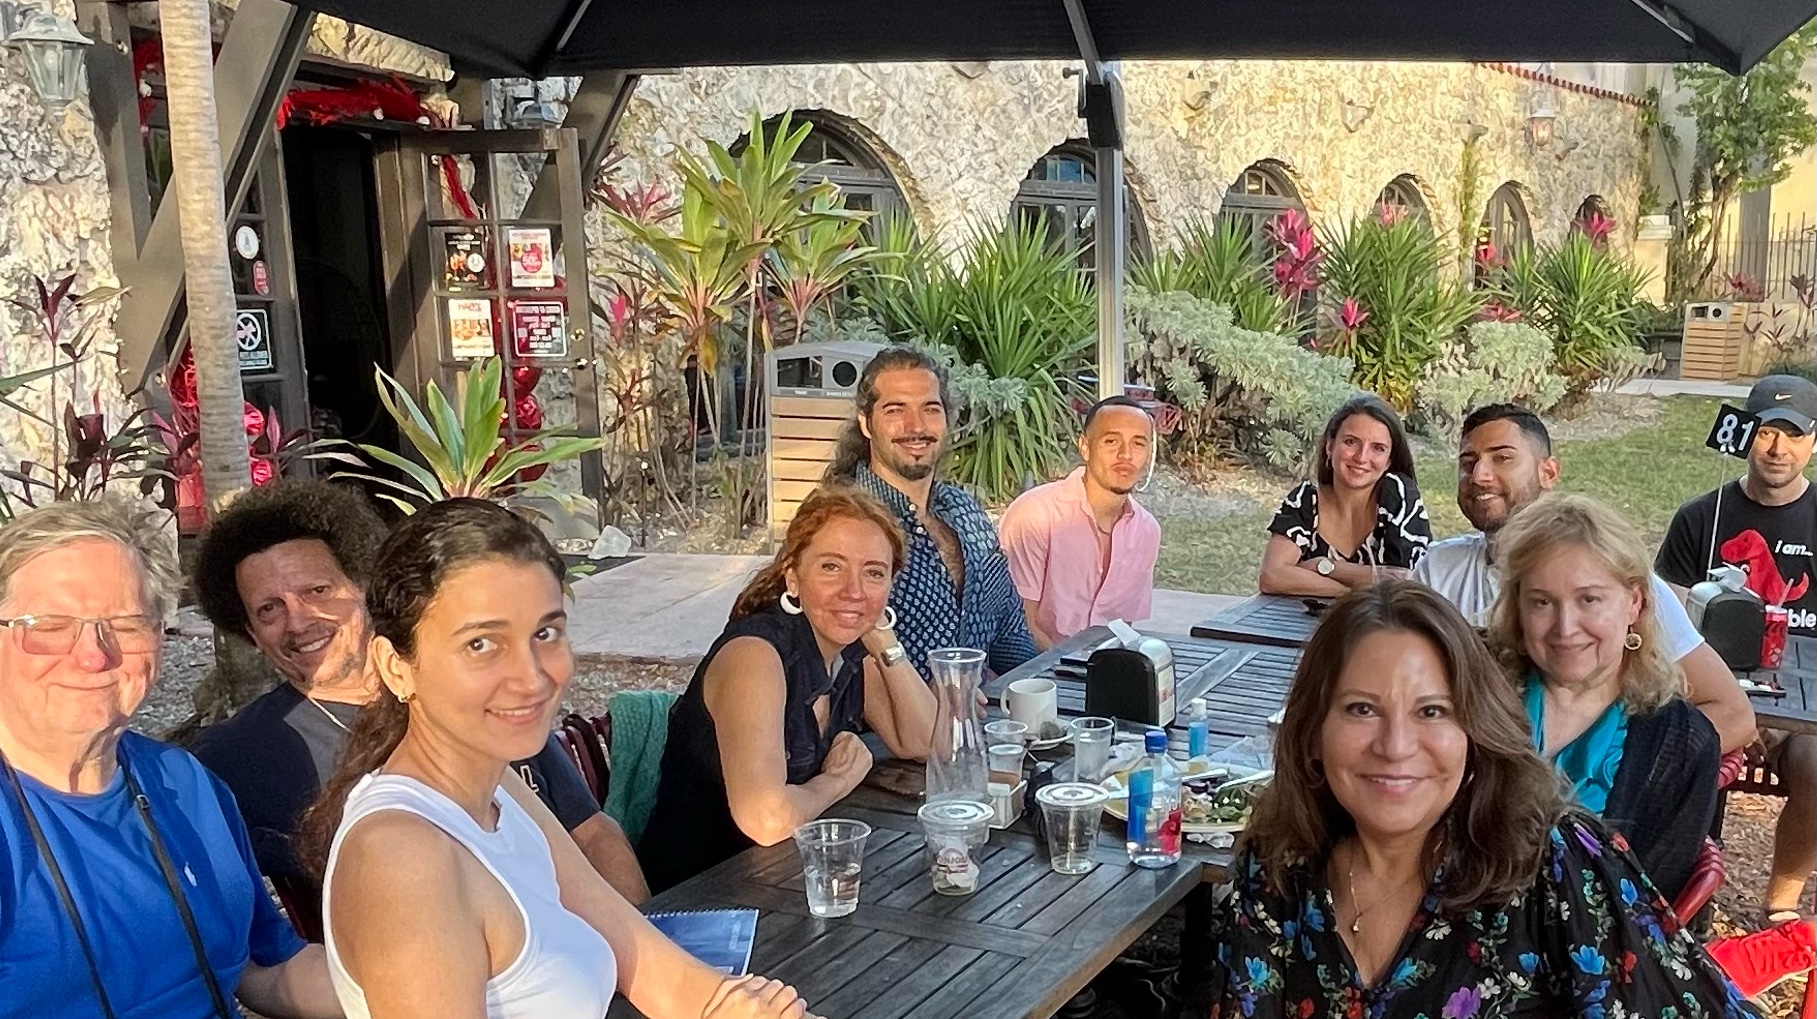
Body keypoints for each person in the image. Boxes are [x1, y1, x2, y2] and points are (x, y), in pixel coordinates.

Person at [296, 499, 809, 1019]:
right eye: (481, 644)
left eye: (544, 633)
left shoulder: (501, 787)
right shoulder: (402, 859)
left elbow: (645, 960)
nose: (531, 677)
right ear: (396, 667)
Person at [1204, 582, 1756, 1019]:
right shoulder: (1279, 868)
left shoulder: (1555, 865)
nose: (1395, 746)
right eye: (1361, 709)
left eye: (1432, 711)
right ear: (1312, 733)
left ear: (1475, 732)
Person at [188, 480, 646, 941]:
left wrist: (642, 947)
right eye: (269, 609)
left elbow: (591, 832)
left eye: (319, 590)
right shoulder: (242, 755)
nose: (299, 620)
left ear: (364, 585)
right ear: (250, 632)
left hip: (585, 949)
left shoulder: (474, 688)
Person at [0, 497, 339, 1019]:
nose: (94, 655)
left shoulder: (185, 783)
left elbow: (261, 967)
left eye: (126, 624)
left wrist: (412, 984)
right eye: (49, 626)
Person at [638, 487, 937, 893]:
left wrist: (883, 637)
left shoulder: (847, 651)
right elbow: (766, 819)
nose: (853, 590)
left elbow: (924, 742)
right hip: (703, 895)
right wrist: (838, 780)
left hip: (787, 880)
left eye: (874, 573)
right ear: (792, 577)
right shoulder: (755, 655)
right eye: (831, 567)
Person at [1416, 403, 1757, 754]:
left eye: (1502, 458)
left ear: (1548, 472)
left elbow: (1733, 714)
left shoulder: (1614, 580)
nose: (1479, 475)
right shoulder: (1437, 570)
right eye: (1467, 463)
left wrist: (1635, 769)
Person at [1489, 492, 1720, 902]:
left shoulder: (1682, 743)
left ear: (1634, 603)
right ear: (1518, 609)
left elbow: (1649, 907)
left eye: (1589, 600)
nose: (1565, 627)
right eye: (1542, 602)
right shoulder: (1476, 696)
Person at [1655, 374, 1817, 926]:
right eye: (1767, 432)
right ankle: (1680, 897)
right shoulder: (1701, 516)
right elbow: (1668, 621)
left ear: (1813, 441)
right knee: (1681, 747)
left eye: (1793, 435)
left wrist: (1778, 722)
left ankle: (1782, 903)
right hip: (1713, 691)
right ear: (1744, 432)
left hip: (1801, 709)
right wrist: (1734, 709)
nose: (1777, 448)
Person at [825, 346, 1036, 676]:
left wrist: (1046, 690)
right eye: (895, 410)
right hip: (881, 710)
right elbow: (827, 662)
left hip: (978, 707)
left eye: (931, 409)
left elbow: (1010, 636)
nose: (916, 426)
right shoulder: (842, 524)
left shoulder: (967, 513)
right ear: (866, 424)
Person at [999, 395, 1162, 649]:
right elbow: (1019, 626)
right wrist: (1071, 668)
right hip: (1032, 667)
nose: (1126, 454)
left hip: (1101, 666)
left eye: (1138, 443)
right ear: (1085, 447)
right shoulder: (1037, 515)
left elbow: (1121, 629)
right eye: (1111, 441)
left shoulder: (1146, 531)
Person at [1258, 394, 1431, 597]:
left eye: (1378, 448)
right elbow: (1272, 576)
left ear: (1389, 461)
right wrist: (1351, 594)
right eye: (1351, 442)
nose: (1361, 457)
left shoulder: (1399, 495)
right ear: (1329, 447)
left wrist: (1325, 566)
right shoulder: (1306, 500)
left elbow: (1407, 582)